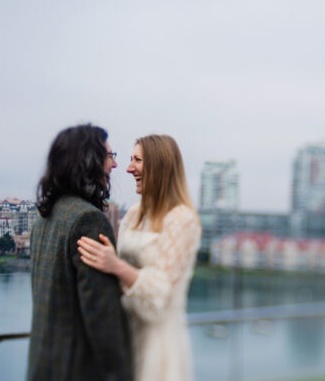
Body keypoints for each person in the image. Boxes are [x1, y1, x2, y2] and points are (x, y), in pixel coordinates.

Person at [77, 134, 201, 381]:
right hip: (124, 339)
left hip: (159, 349)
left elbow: (161, 294)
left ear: (159, 165)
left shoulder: (182, 219)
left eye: (137, 160)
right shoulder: (134, 214)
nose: (128, 168)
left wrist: (116, 266)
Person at [27, 124, 133, 381]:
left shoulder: (44, 219)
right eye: (110, 156)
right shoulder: (89, 220)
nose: (115, 166)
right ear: (88, 161)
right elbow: (102, 319)